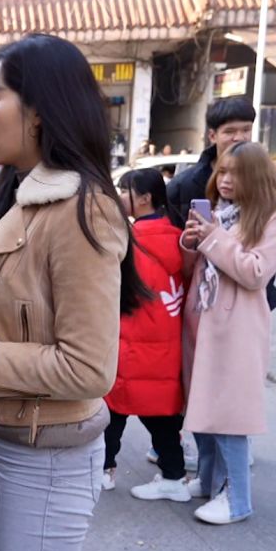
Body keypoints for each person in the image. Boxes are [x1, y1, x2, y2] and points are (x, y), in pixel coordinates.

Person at [0, 34, 150, 551]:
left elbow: (88, 367)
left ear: (38, 111)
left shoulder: (83, 208)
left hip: (47, 456)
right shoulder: (12, 196)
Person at [180, 141, 276, 525]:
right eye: (221, 171)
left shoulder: (271, 217)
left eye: (234, 173)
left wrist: (212, 239)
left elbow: (256, 271)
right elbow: (204, 264)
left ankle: (238, 498)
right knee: (204, 408)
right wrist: (194, 241)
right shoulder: (223, 214)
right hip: (205, 321)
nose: (224, 180)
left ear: (255, 177)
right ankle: (210, 481)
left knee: (229, 416)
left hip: (237, 326)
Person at [166, 96, 276, 310]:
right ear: (212, 135)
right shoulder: (184, 185)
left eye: (246, 130)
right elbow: (171, 239)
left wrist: (270, 263)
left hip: (248, 300)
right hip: (198, 299)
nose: (239, 137)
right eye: (230, 132)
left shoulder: (270, 181)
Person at [101, 169, 189, 501]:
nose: (121, 196)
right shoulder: (178, 238)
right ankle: (174, 475)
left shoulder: (129, 241)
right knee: (161, 414)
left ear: (144, 198)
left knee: (112, 410)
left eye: (126, 190)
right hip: (165, 342)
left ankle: (104, 470)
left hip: (132, 342)